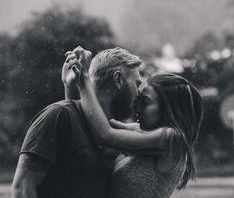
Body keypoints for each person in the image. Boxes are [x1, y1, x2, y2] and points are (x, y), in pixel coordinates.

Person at [64, 46, 203, 198]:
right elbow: (87, 125)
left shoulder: (173, 138)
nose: (136, 105)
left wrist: (84, 77)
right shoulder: (141, 132)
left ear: (168, 109)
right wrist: (71, 85)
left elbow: (105, 135)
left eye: (145, 101)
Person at [11, 47, 143, 198]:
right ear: (118, 79)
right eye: (137, 84)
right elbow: (22, 188)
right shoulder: (59, 115)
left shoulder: (114, 134)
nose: (139, 93)